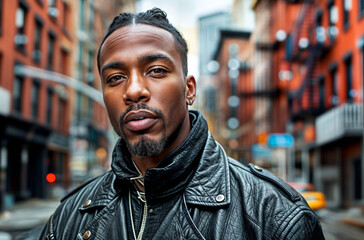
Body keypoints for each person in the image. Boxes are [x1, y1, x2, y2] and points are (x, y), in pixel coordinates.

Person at [24, 8, 325, 240]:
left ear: (189, 89)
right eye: (115, 78)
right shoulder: (70, 217)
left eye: (155, 70)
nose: (133, 91)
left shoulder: (275, 218)